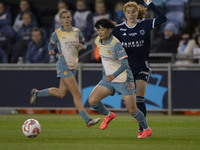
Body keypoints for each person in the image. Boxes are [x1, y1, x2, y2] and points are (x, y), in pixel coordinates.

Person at [29, 9, 100, 127]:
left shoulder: (77, 31)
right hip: (63, 65)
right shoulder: (57, 33)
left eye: (68, 17)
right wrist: (51, 50)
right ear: (60, 20)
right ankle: (88, 120)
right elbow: (50, 44)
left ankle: (37, 93)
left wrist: (82, 46)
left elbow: (85, 44)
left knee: (61, 93)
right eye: (64, 18)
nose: (66, 20)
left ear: (71, 18)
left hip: (73, 66)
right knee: (77, 94)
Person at [88, 18, 152, 138]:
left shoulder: (116, 44)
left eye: (103, 29)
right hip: (108, 80)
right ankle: (109, 115)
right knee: (92, 101)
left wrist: (113, 75)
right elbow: (104, 59)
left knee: (132, 110)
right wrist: (105, 75)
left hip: (123, 79)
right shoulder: (97, 41)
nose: (100, 32)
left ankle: (146, 129)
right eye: (98, 29)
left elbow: (124, 64)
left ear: (110, 30)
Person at [112, 0, 167, 137]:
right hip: (126, 69)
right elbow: (111, 47)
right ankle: (123, 94)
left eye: (134, 12)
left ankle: (142, 129)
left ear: (138, 13)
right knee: (129, 103)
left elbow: (163, 18)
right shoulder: (118, 30)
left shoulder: (145, 24)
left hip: (142, 66)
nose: (131, 14)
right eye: (128, 12)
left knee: (140, 99)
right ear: (124, 13)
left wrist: (150, 3)